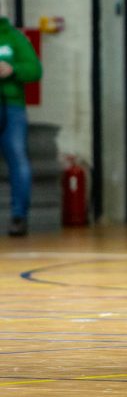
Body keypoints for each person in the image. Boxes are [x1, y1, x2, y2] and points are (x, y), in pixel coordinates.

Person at [0, 15, 42, 237]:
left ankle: (19, 217)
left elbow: (35, 70)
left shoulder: (15, 38)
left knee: (18, 157)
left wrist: (12, 69)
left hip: (12, 107)